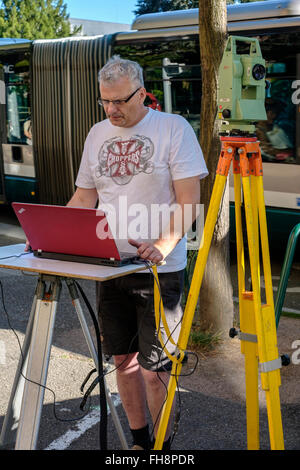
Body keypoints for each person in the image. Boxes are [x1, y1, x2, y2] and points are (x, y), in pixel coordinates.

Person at [67, 56, 208, 450]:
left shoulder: (173, 129)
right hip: (109, 266)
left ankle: (162, 448)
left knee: (154, 371)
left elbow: (189, 200)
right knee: (123, 364)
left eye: (120, 102)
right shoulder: (96, 134)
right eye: (105, 102)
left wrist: (162, 245)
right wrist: (52, 234)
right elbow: (84, 195)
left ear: (143, 93)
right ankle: (140, 443)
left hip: (159, 271)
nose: (112, 110)